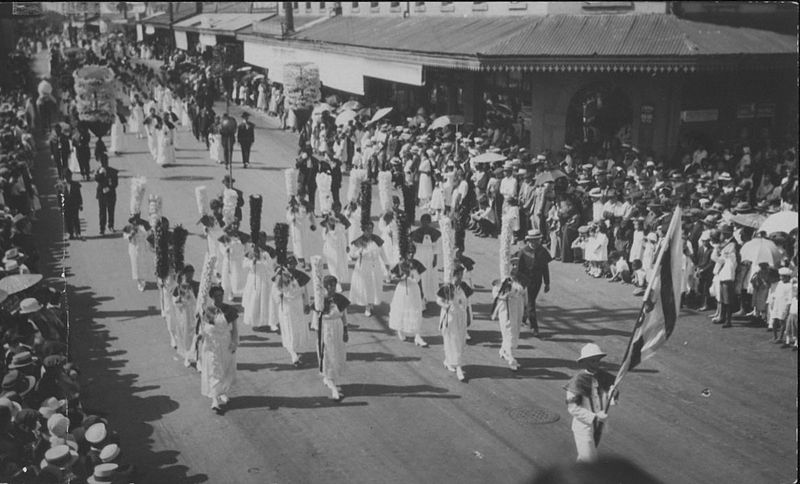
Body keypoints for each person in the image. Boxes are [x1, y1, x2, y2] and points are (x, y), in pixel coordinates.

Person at [564, 343, 618, 463]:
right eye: (592, 361)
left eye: (598, 360)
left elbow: (609, 397)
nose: (596, 364)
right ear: (585, 362)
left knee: (585, 460)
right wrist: (594, 417)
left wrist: (612, 395)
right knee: (590, 460)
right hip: (584, 427)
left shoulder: (603, 376)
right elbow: (573, 408)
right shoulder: (576, 382)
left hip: (599, 426)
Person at [198, 285, 238, 414]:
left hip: (226, 343)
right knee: (214, 369)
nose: (219, 298)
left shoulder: (229, 309)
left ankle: (222, 392)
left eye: (221, 295)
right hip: (212, 345)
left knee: (225, 368)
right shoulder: (209, 311)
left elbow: (235, 329)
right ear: (212, 297)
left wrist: (234, 342)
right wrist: (200, 336)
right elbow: (205, 328)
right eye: (216, 296)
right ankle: (214, 399)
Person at [312, 275, 350, 401]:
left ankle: (330, 378)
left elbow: (344, 316)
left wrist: (345, 330)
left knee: (337, 353)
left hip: (337, 328)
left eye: (334, 285)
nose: (332, 288)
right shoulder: (320, 301)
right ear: (325, 286)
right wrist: (318, 335)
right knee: (327, 355)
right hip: (325, 329)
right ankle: (332, 385)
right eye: (330, 286)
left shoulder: (340, 299)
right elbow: (316, 320)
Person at [270, 261, 312, 366]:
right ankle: (293, 354)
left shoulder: (299, 277)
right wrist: (280, 292)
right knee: (288, 331)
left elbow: (304, 292)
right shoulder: (278, 282)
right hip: (287, 309)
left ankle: (294, 348)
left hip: (297, 308)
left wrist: (306, 304)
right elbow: (275, 297)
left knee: (297, 329)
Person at [437, 265, 472, 382]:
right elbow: (439, 300)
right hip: (450, 317)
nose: (460, 278)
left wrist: (468, 317)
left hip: (461, 317)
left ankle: (448, 361)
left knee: (461, 341)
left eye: (462, 275)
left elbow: (467, 302)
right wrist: (446, 305)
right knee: (452, 340)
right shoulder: (447, 287)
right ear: (453, 276)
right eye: (458, 275)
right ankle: (458, 367)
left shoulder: (464, 287)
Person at [388, 248, 428, 347]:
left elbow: (420, 279)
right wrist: (401, 277)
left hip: (414, 289)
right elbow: (392, 276)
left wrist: (423, 294)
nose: (410, 255)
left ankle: (417, 336)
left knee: (416, 311)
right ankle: (400, 329)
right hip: (402, 289)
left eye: (412, 253)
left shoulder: (416, 264)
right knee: (402, 309)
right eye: (409, 253)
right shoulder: (401, 264)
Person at [516, 229, 551, 337]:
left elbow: (545, 268)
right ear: (528, 240)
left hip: (537, 281)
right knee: (530, 302)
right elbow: (517, 269)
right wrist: (518, 282)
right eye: (532, 240)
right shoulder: (523, 251)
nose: (535, 243)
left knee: (531, 301)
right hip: (524, 281)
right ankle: (533, 325)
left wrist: (547, 283)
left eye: (537, 240)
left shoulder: (542, 251)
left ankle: (528, 320)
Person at [349, 221, 388, 317]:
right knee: (366, 285)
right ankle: (367, 306)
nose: (370, 231)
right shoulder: (359, 241)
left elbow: (382, 252)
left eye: (371, 229)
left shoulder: (376, 239)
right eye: (367, 230)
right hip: (364, 266)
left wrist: (386, 264)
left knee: (375, 284)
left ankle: (371, 303)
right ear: (363, 230)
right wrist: (360, 253)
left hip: (375, 265)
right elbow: (352, 254)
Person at [491, 271, 526, 371]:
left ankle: (503, 350)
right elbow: (496, 297)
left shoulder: (519, 284)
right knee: (509, 332)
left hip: (517, 312)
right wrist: (504, 296)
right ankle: (510, 358)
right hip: (506, 313)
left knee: (514, 332)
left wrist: (526, 309)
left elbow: (523, 295)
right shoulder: (500, 284)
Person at [172, 266, 199, 367]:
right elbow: (174, 301)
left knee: (197, 335)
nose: (190, 275)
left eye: (191, 273)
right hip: (185, 316)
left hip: (195, 314)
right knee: (186, 336)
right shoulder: (180, 287)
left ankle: (196, 356)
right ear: (184, 274)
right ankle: (187, 356)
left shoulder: (196, 285)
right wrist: (179, 300)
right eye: (188, 273)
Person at [122, 214, 150, 292]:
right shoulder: (128, 228)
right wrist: (132, 234)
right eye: (133, 221)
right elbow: (126, 237)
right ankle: (139, 282)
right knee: (136, 266)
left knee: (143, 265)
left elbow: (148, 234)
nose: (134, 222)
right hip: (133, 249)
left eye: (136, 221)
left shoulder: (142, 227)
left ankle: (143, 281)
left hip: (142, 249)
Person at [94, 156, 118, 235]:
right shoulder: (99, 171)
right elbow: (97, 179)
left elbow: (115, 183)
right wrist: (101, 173)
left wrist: (109, 188)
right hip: (102, 195)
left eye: (105, 162)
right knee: (102, 212)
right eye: (103, 162)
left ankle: (111, 226)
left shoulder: (113, 171)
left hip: (110, 194)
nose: (104, 164)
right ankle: (102, 228)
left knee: (111, 211)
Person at [57, 170, 83, 240]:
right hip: (66, 205)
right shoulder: (61, 186)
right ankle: (70, 233)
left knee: (75, 219)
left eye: (69, 176)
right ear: (64, 177)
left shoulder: (75, 184)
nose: (68, 178)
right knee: (68, 220)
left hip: (74, 205)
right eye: (66, 177)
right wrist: (60, 206)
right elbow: (59, 197)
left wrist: (80, 204)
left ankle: (78, 233)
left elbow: (79, 195)